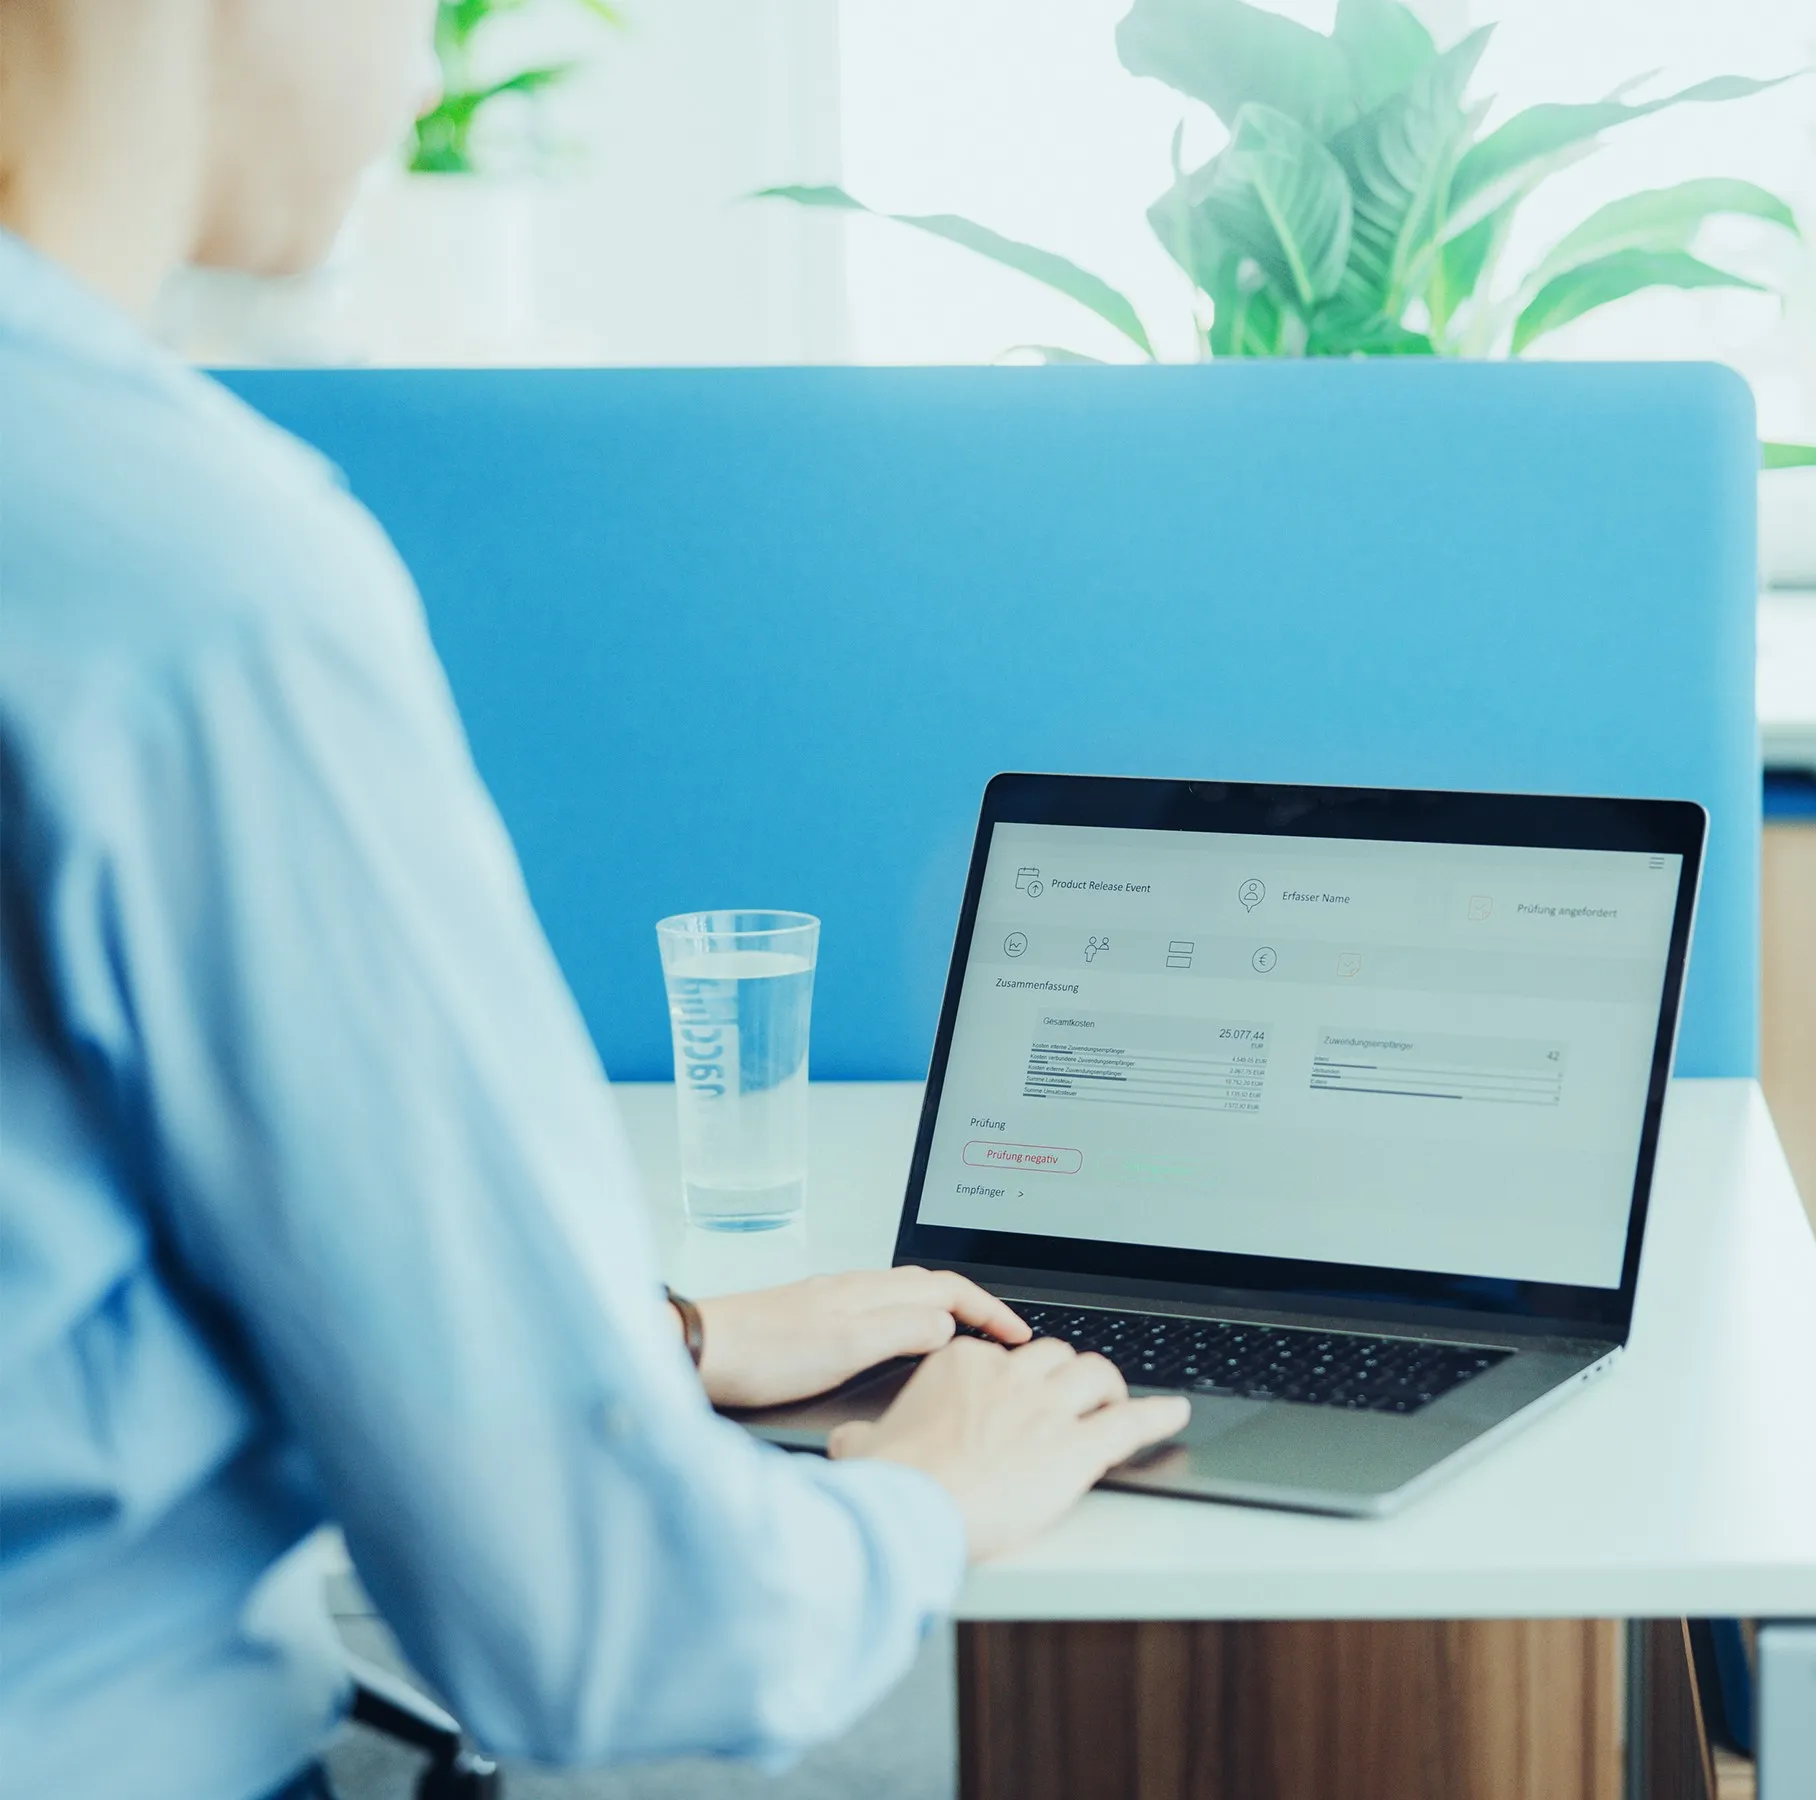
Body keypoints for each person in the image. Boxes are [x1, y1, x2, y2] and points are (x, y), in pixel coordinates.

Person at [0, 3, 1191, 1795]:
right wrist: (921, 1498)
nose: (418, 65)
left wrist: (663, 1341)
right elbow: (606, 1625)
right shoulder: (191, 585)